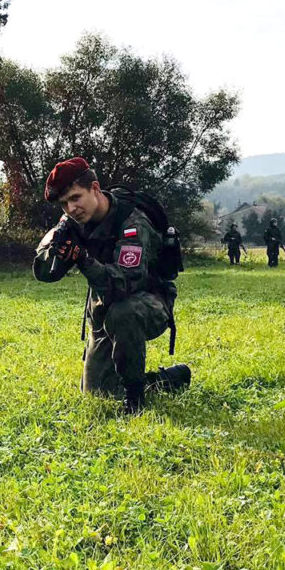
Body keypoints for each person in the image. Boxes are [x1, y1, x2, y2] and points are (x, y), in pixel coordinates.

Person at [33, 156, 188, 414]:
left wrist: (83, 259)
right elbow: (44, 273)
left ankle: (134, 396)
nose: (71, 208)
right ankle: (168, 379)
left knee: (123, 313)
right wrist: (55, 250)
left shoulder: (132, 223)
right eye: (64, 204)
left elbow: (123, 284)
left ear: (95, 188)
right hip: (104, 308)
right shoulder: (73, 221)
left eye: (75, 198)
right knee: (97, 391)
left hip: (147, 302)